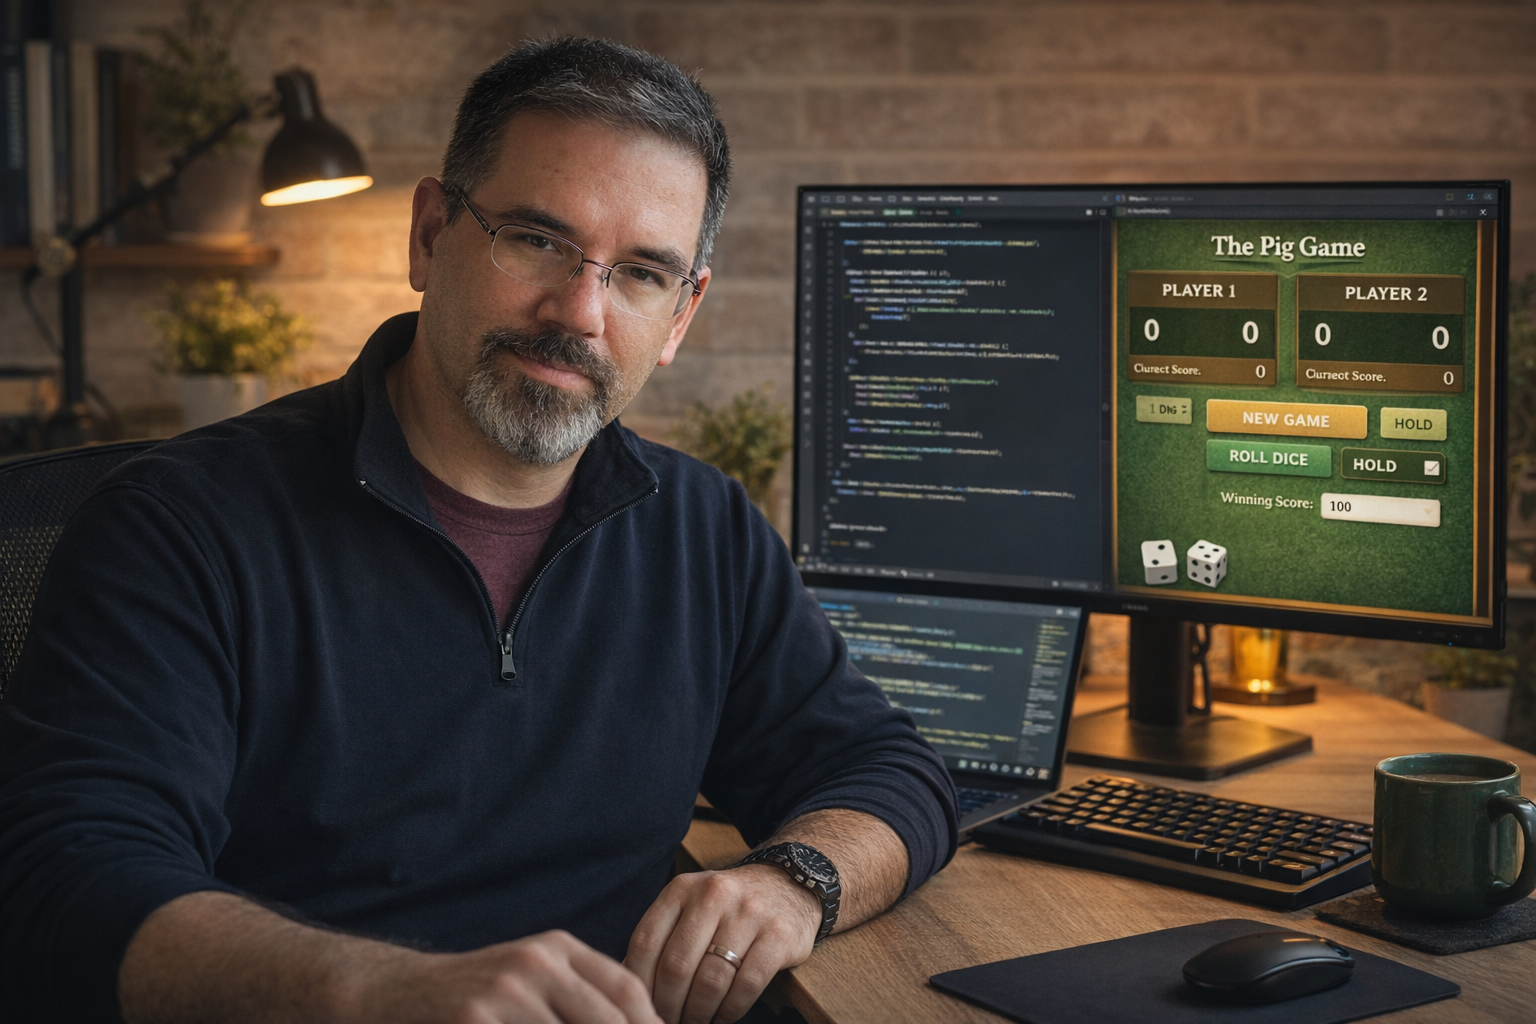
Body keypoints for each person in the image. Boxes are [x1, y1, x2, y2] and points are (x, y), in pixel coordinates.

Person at [0, 36, 956, 1024]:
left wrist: (796, 880)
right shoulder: (182, 525)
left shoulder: (701, 529)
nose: (578, 312)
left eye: (638, 273)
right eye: (537, 240)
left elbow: (889, 770)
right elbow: (67, 887)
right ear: (428, 234)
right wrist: (378, 989)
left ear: (681, 315)